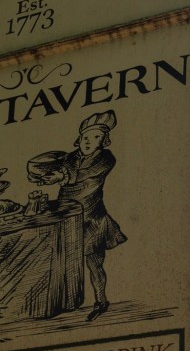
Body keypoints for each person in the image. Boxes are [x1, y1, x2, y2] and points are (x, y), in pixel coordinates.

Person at [27, 109, 127, 321]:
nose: (89, 142)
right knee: (60, 260)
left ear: (104, 141)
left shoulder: (105, 159)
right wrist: (42, 175)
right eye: (86, 137)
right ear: (79, 139)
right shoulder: (70, 158)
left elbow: (83, 174)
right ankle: (63, 302)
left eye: (96, 137)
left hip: (91, 219)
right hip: (66, 216)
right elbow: (52, 168)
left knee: (93, 263)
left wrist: (60, 176)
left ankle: (101, 300)